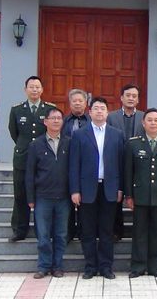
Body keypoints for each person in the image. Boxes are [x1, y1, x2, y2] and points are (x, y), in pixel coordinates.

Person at [69, 97, 124, 280]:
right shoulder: (79, 134)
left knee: (107, 231)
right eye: (96, 108)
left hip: (109, 188)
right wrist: (75, 190)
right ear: (90, 112)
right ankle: (90, 267)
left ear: (107, 113)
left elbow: (121, 164)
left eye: (102, 108)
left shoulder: (117, 134)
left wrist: (120, 188)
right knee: (88, 231)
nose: (99, 111)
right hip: (87, 190)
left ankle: (106, 267)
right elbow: (74, 165)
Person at [125, 109, 157, 279]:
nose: (153, 123)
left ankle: (156, 267)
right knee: (139, 233)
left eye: (156, 120)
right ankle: (138, 267)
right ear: (143, 123)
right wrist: (128, 195)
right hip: (140, 195)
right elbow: (128, 171)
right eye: (150, 120)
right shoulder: (133, 143)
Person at [8, 76, 56, 242]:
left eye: (37, 87)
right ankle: (19, 230)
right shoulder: (16, 110)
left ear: (42, 90)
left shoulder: (49, 109)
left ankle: (42, 229)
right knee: (21, 194)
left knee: (43, 195)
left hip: (43, 159)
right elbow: (14, 132)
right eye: (31, 87)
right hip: (23, 157)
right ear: (25, 90)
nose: (34, 90)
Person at [25, 107, 70, 279]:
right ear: (46, 122)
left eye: (59, 118)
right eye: (53, 118)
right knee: (43, 235)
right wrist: (30, 198)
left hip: (63, 197)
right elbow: (30, 173)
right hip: (43, 197)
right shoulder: (36, 144)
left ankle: (57, 266)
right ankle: (43, 266)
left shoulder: (69, 142)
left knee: (61, 235)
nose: (56, 121)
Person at [107, 83, 145, 241]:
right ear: (121, 98)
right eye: (128, 95)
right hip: (116, 162)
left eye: (134, 96)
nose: (131, 98)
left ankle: (140, 232)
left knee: (138, 199)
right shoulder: (111, 117)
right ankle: (116, 231)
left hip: (139, 164)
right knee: (115, 198)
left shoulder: (144, 117)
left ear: (138, 99)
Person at [61, 88, 90, 242]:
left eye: (80, 101)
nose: (77, 103)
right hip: (67, 166)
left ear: (86, 103)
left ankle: (84, 231)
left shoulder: (91, 121)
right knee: (69, 200)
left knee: (86, 202)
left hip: (87, 167)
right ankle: (69, 232)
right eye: (74, 101)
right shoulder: (64, 121)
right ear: (70, 103)